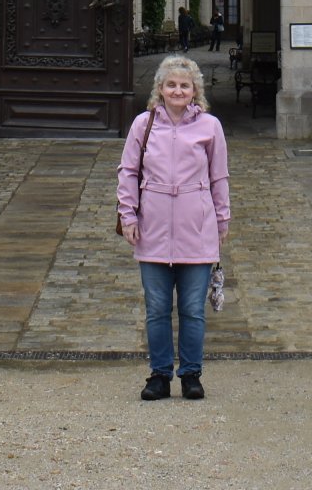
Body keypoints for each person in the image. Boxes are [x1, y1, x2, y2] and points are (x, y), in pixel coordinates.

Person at [117, 54, 229, 400]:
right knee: (156, 308)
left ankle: (192, 373)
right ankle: (160, 374)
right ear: (160, 89)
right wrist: (128, 216)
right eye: (171, 85)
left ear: (194, 90)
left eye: (184, 85)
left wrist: (222, 217)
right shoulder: (143, 124)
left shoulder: (210, 126)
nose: (177, 90)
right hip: (153, 224)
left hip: (196, 225)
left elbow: (218, 176)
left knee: (193, 309)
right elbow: (128, 172)